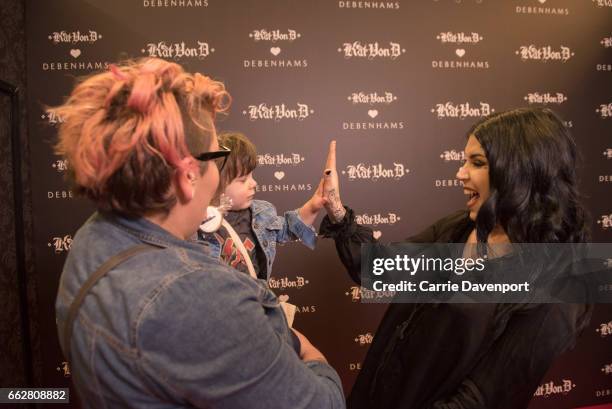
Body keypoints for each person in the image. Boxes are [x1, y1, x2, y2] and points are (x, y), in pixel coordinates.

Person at [53, 58, 345, 409]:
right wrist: (310, 354)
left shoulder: (93, 237)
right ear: (188, 176)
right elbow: (322, 404)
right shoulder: (197, 294)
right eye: (217, 156)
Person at [319, 107, 592, 409]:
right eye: (464, 161)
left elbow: (480, 400)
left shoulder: (557, 288)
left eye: (476, 163)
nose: (460, 173)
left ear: (519, 171)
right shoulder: (460, 228)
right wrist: (337, 211)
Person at [198, 131, 324, 281]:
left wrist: (313, 206)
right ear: (215, 182)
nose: (254, 184)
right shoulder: (198, 223)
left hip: (255, 300)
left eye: (252, 175)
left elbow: (290, 229)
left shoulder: (261, 213)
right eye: (243, 180)